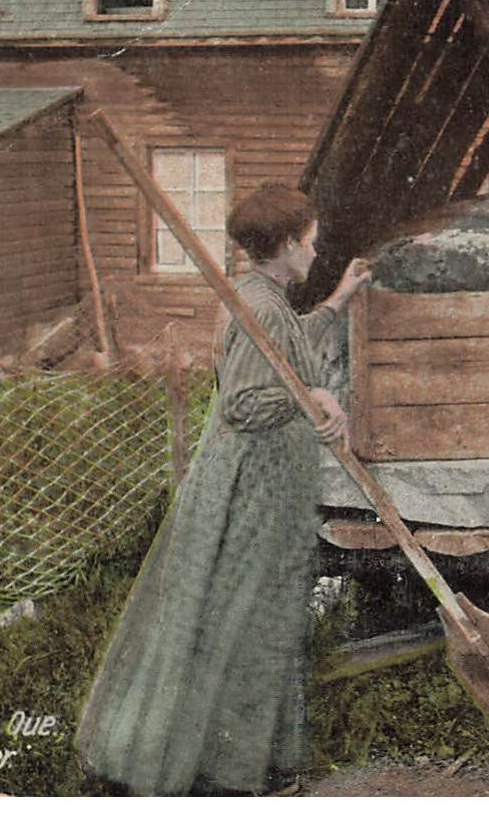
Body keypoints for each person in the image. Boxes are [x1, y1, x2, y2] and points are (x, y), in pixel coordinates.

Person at [75, 184, 370, 796]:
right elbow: (242, 403)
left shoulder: (266, 298)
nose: (316, 255)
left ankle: (236, 763)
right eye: (311, 245)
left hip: (263, 484)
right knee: (240, 621)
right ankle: (219, 774)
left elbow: (284, 354)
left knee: (249, 619)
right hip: (246, 488)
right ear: (287, 245)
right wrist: (313, 399)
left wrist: (339, 299)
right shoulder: (259, 306)